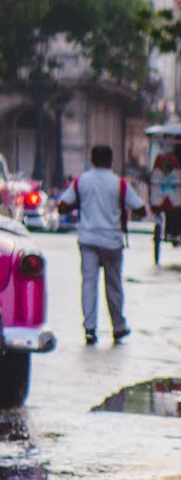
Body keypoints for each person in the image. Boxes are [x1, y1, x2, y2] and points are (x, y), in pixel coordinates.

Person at [58, 143, 147, 344]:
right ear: (111, 160)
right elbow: (141, 209)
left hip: (87, 238)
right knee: (113, 285)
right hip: (112, 241)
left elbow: (62, 205)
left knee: (89, 283)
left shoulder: (81, 181)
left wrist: (81, 203)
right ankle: (118, 326)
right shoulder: (119, 184)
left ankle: (89, 328)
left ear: (92, 159)